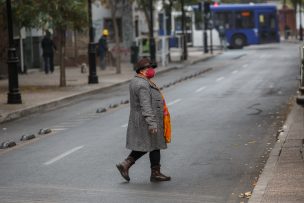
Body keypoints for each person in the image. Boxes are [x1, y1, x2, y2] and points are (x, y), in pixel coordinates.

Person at [116, 57, 171, 182]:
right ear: (142, 70)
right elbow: (145, 105)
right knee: (153, 145)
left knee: (150, 145)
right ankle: (151, 172)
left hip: (141, 119)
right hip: (146, 120)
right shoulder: (142, 84)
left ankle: (130, 165)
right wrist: (152, 123)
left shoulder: (138, 81)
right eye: (149, 68)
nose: (152, 70)